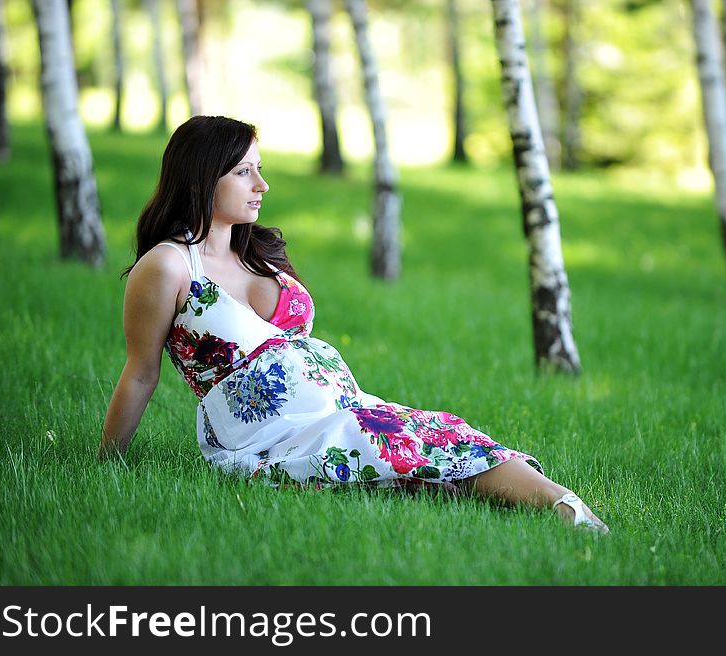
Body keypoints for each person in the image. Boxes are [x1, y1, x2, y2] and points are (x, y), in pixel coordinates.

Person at [99, 115, 609, 533]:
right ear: (202, 177)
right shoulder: (168, 267)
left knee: (442, 432)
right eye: (243, 172)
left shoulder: (255, 254)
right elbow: (141, 372)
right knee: (416, 446)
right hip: (275, 431)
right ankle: (564, 510)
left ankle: (563, 505)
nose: (262, 185)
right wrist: (105, 464)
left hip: (343, 407)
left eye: (261, 169)